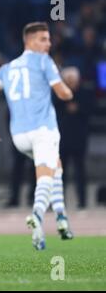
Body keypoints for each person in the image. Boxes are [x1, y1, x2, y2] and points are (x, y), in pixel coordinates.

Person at [0, 22, 74, 250]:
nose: (48, 43)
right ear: (29, 41)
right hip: (43, 130)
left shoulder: (8, 67)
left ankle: (61, 217)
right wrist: (69, 88)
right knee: (45, 175)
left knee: (55, 166)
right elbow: (63, 94)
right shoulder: (44, 61)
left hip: (19, 136)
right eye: (43, 39)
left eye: (49, 39)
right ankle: (38, 216)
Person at [55, 67, 94, 209]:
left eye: (73, 80)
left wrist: (77, 109)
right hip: (62, 139)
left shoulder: (84, 94)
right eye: (68, 80)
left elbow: (90, 109)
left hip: (79, 139)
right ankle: (59, 202)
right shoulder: (59, 94)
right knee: (60, 174)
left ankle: (82, 201)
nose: (71, 83)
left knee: (80, 172)